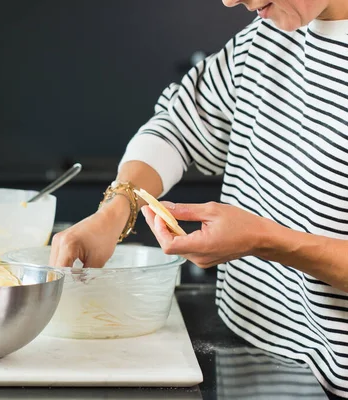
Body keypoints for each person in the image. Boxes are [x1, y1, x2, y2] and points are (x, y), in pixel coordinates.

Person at [49, 0, 348, 398]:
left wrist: (265, 239)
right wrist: (117, 209)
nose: (229, 0)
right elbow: (177, 126)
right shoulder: (266, 39)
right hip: (255, 360)